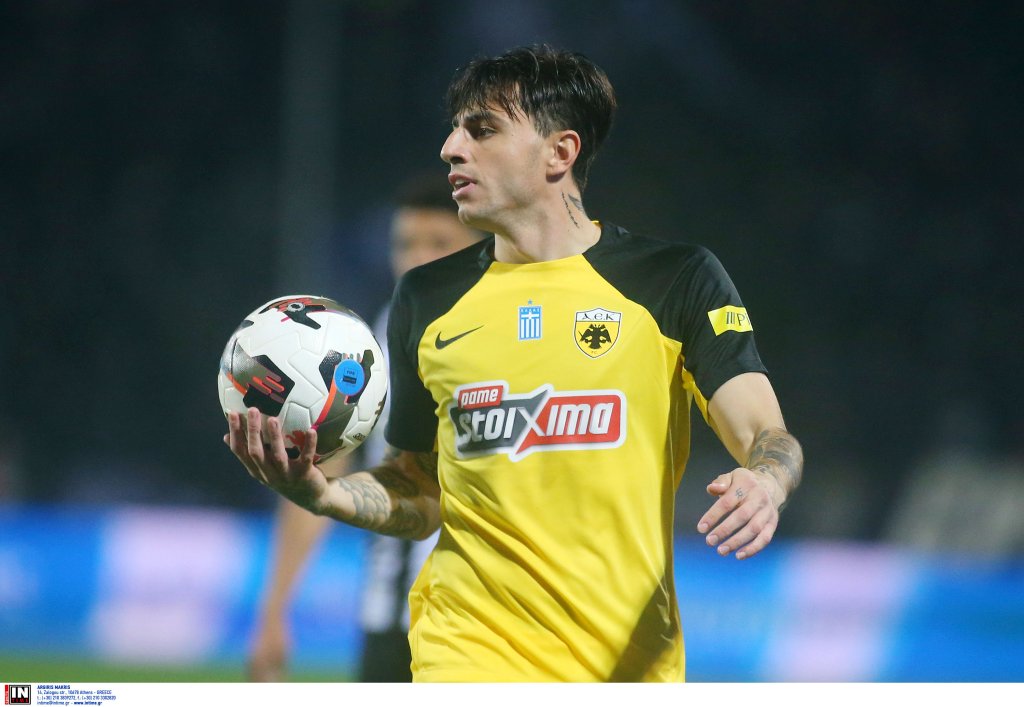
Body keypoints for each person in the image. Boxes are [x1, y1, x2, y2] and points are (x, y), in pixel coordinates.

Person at [227, 44, 803, 682]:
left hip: (628, 665)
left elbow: (764, 432)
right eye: (455, 129)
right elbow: (418, 486)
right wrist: (325, 494)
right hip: (463, 652)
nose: (451, 148)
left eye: (482, 130)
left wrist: (766, 481)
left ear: (560, 152)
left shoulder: (674, 280)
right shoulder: (427, 298)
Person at [246, 176, 484, 682]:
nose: (417, 258)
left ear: (480, 250)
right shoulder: (372, 342)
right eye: (405, 244)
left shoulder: (515, 335)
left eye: (439, 243)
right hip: (394, 619)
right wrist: (274, 611)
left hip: (489, 622)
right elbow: (327, 467)